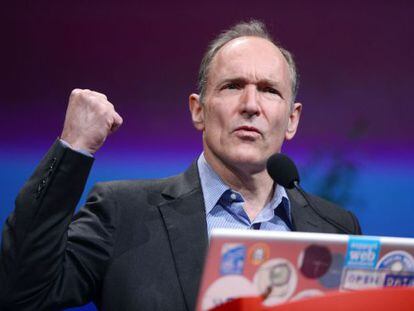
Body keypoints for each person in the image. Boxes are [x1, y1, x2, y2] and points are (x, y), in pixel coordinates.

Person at [0, 20, 361, 311]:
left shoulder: (335, 228)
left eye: (269, 90)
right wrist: (74, 147)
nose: (251, 105)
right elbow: (22, 292)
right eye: (233, 86)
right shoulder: (123, 213)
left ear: (292, 119)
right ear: (198, 110)